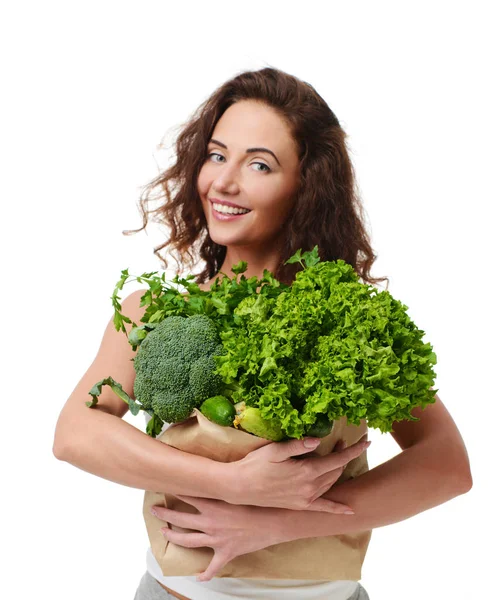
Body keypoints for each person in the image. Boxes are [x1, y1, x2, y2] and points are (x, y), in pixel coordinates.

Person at [53, 67, 472, 600]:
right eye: (216, 155)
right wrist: (231, 484)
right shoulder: (157, 311)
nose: (224, 182)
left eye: (259, 164)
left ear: (306, 185)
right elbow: (74, 434)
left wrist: (280, 522)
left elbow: (446, 465)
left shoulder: (349, 321)